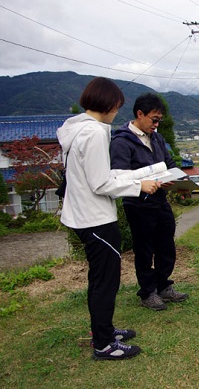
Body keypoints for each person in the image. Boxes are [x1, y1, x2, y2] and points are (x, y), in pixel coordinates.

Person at [56, 77, 161, 360]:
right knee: (106, 282)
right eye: (118, 106)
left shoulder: (77, 129)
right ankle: (104, 344)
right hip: (95, 218)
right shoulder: (94, 133)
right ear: (109, 104)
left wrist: (137, 176)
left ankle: (104, 330)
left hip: (82, 215)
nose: (118, 111)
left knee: (100, 279)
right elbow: (100, 184)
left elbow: (101, 174)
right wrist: (139, 186)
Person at [110, 92, 189, 311]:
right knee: (144, 249)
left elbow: (170, 163)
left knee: (166, 244)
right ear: (139, 114)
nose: (156, 124)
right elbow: (119, 176)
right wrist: (146, 181)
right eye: (154, 119)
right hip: (138, 203)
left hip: (160, 200)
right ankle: (147, 292)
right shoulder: (121, 141)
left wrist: (174, 179)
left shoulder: (157, 138)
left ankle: (164, 285)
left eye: (159, 120)